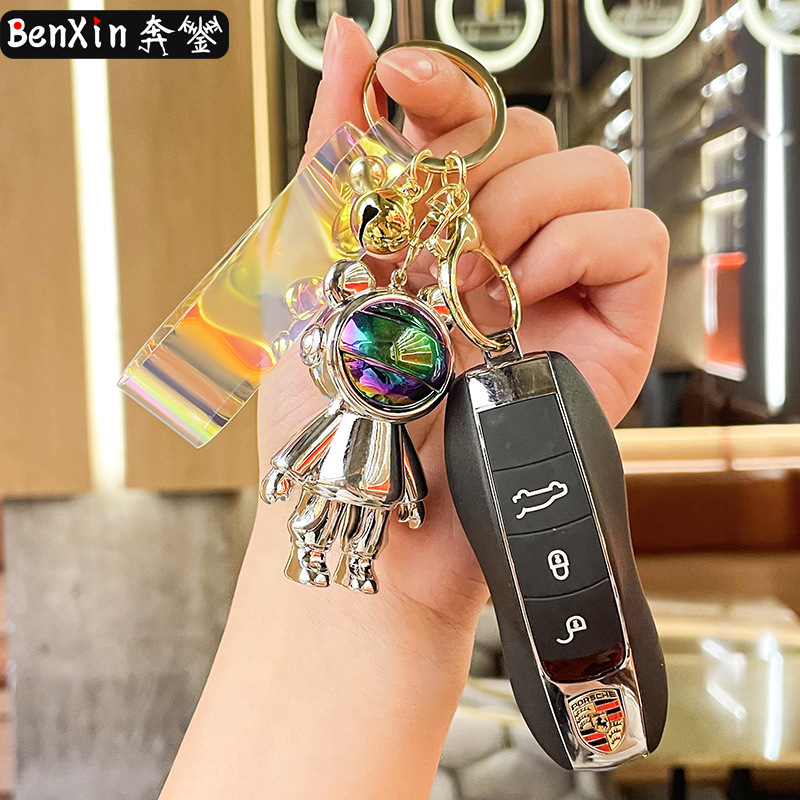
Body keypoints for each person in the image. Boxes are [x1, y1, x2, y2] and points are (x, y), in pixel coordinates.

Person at [158, 15, 668, 799]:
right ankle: (333, 563)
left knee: (354, 517)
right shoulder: (349, 323)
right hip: (368, 428)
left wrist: (401, 597)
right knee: (335, 515)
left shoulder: (425, 346)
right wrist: (365, 609)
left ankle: (343, 563)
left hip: (417, 425)